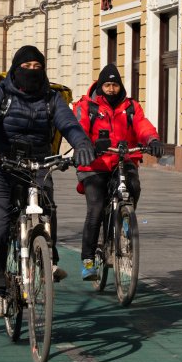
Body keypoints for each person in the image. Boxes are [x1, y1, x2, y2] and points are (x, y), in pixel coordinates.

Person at [0, 45, 95, 318]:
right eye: (26, 67)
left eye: (37, 67)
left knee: (46, 207)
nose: (31, 71)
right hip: (0, 164)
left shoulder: (51, 98)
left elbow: (68, 123)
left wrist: (82, 143)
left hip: (38, 162)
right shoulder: (1, 93)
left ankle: (47, 257)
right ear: (15, 69)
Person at [72, 64, 163, 281]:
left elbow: (142, 125)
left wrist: (152, 139)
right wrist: (84, 146)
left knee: (134, 186)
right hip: (94, 164)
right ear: (101, 86)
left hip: (123, 158)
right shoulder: (87, 106)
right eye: (107, 85)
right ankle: (88, 260)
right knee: (95, 209)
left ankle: (124, 220)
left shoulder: (131, 107)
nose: (111, 89)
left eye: (115, 85)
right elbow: (78, 128)